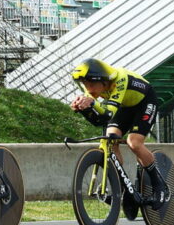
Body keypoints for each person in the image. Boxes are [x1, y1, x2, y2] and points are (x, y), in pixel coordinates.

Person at [69, 57, 168, 208]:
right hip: (124, 106)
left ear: (103, 80)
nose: (88, 88)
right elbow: (99, 119)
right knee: (110, 140)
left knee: (133, 142)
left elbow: (108, 113)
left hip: (145, 102)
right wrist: (84, 109)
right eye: (84, 84)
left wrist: (92, 103)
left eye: (91, 84)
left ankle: (159, 185)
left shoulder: (120, 79)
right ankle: (121, 187)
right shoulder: (94, 87)